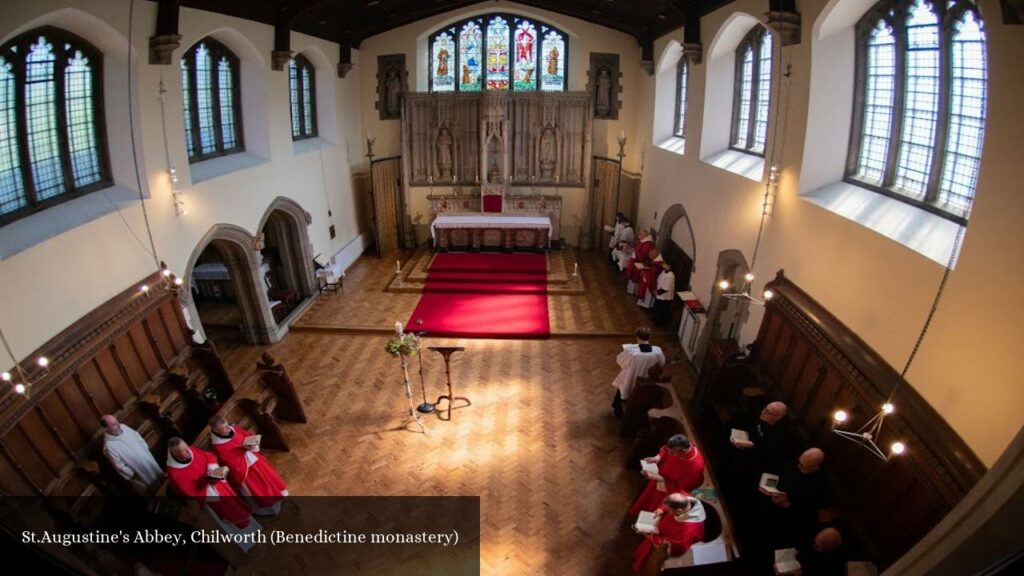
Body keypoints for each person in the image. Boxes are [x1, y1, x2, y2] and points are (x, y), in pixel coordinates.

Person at [166, 437, 254, 531]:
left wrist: (212, 468)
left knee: (237, 506)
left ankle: (252, 527)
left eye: (186, 447)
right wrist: (206, 481)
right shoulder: (174, 473)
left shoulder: (192, 450)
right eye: (182, 451)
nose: (188, 450)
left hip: (220, 486)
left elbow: (209, 456)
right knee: (228, 517)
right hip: (210, 497)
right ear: (175, 454)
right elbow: (188, 491)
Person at [209, 416, 288, 515]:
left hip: (255, 460)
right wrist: (242, 450)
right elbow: (228, 461)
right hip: (245, 471)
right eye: (223, 429)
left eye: (226, 426)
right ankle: (268, 509)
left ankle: (278, 496)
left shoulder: (234, 429)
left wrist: (252, 443)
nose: (227, 430)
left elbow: (247, 435)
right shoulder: (218, 446)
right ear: (215, 430)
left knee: (269, 481)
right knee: (259, 490)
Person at [760, 448, 830, 544]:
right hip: (772, 502)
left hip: (790, 519)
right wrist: (769, 488)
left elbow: (808, 513)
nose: (798, 465)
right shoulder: (796, 463)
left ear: (815, 467)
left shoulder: (820, 484)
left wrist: (786, 504)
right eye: (799, 461)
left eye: (802, 465)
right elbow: (778, 473)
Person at [630, 434, 705, 515]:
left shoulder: (695, 467)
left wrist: (661, 479)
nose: (669, 453)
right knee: (647, 498)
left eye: (672, 453)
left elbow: (680, 489)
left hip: (667, 491)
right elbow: (665, 450)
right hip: (658, 477)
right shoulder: (678, 446)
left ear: (684, 450)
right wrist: (657, 458)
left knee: (653, 507)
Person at [631, 493, 706, 574]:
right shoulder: (685, 501)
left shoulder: (687, 529)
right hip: (662, 529)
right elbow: (670, 502)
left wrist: (653, 537)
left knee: (649, 559)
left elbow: (678, 545)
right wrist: (661, 509)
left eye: (669, 510)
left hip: (662, 538)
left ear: (679, 511)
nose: (668, 511)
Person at [729, 400, 795, 477]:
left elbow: (769, 456)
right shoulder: (757, 418)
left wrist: (752, 446)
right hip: (741, 453)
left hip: (754, 466)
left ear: (778, 418)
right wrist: (734, 438)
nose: (763, 412)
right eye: (765, 408)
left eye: (768, 412)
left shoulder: (781, 435)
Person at [100, 415, 165, 494]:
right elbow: (119, 466)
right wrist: (133, 475)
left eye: (117, 422)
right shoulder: (109, 446)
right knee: (155, 489)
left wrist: (145, 448)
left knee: (162, 478)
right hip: (139, 472)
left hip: (148, 459)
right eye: (114, 425)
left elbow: (137, 436)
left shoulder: (123, 427)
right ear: (106, 428)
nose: (118, 425)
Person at [612, 327, 666, 419]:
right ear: (649, 337)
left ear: (637, 337)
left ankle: (619, 412)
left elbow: (620, 361)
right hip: (648, 379)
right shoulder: (657, 351)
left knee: (624, 387)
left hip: (631, 377)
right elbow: (662, 363)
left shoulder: (630, 351)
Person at [625, 229, 655, 295]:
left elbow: (643, 255)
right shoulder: (642, 241)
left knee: (636, 277)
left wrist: (635, 251)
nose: (639, 236)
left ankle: (634, 291)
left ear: (645, 235)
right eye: (639, 234)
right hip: (635, 261)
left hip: (639, 262)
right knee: (632, 276)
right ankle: (630, 289)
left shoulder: (648, 244)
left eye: (640, 234)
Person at [653, 261, 676, 326]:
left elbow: (666, 288)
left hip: (664, 296)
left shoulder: (670, 275)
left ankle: (658, 322)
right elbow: (659, 280)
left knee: (661, 310)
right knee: (657, 307)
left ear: (669, 266)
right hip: (659, 293)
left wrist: (657, 292)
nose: (663, 265)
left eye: (664, 264)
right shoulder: (664, 271)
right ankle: (655, 318)